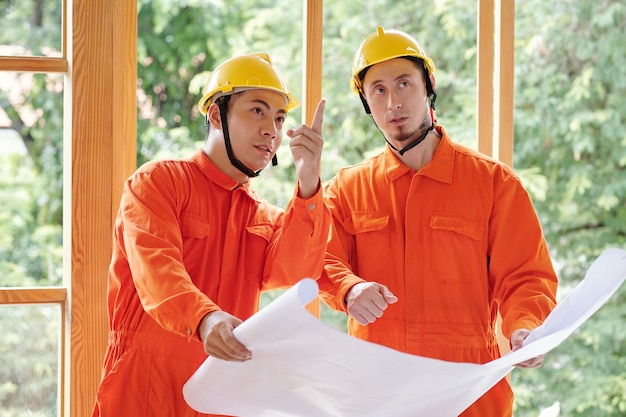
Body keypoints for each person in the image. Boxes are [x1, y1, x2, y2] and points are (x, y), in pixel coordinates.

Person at [318, 26, 558, 416]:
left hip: (469, 391)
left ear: (428, 85)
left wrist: (525, 326)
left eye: (403, 83)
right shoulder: (346, 189)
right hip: (379, 391)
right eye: (378, 90)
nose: (393, 101)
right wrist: (349, 289)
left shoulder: (494, 184)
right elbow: (318, 259)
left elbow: (526, 276)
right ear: (366, 102)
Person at [92, 53, 330, 417]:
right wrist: (204, 318)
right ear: (216, 115)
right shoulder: (158, 183)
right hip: (143, 388)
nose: (273, 129)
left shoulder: (262, 217)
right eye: (257, 111)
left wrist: (309, 181)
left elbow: (299, 268)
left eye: (280, 119)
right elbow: (158, 270)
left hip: (220, 389)